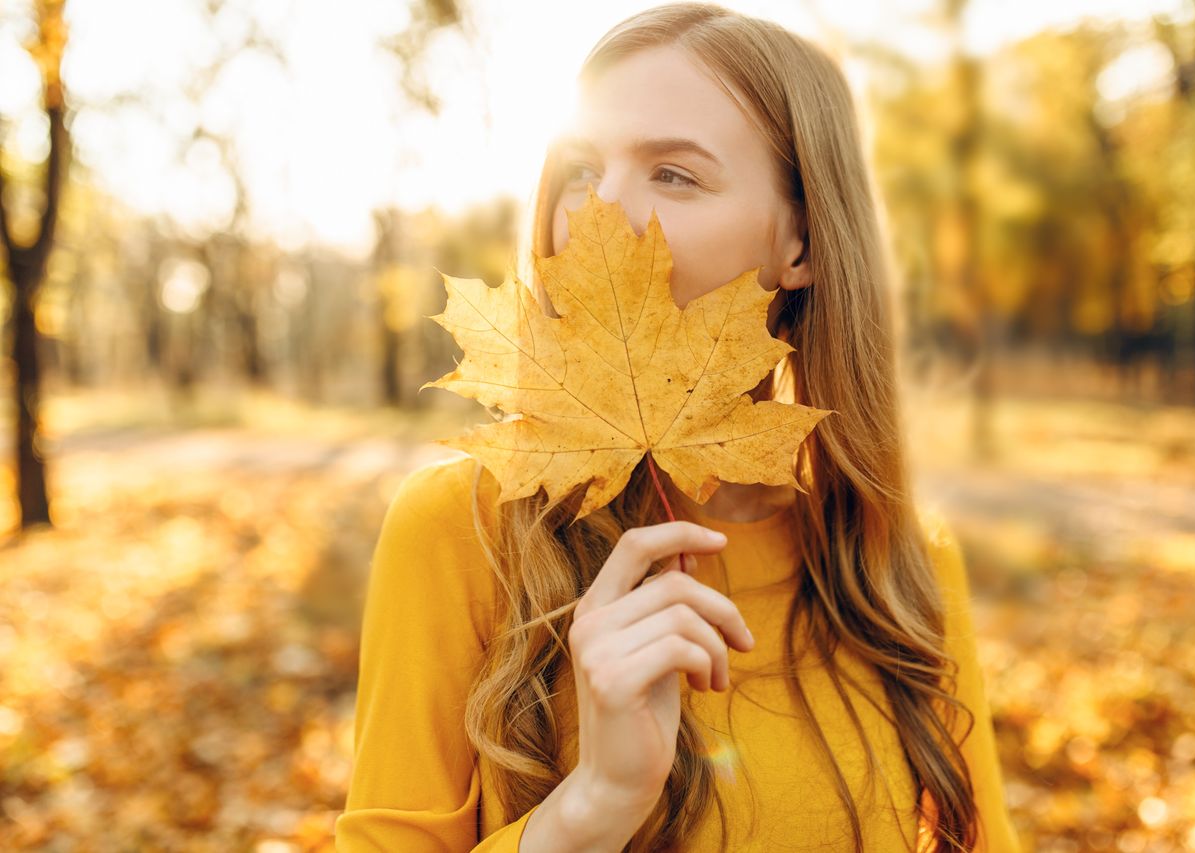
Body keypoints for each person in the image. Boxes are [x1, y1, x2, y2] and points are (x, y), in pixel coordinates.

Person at [335, 3, 1022, 851]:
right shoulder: (464, 530)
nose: (599, 213)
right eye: (581, 169)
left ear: (801, 245)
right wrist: (593, 805)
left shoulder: (898, 559)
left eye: (674, 175)